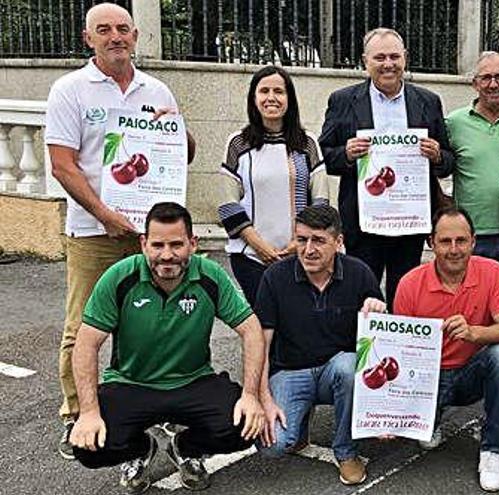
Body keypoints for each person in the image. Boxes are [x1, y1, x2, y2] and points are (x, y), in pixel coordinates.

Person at [45, 2, 193, 459]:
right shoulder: (70, 90)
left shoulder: (157, 88)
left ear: (136, 36)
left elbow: (182, 153)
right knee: (82, 326)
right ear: (88, 38)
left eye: (124, 29)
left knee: (150, 324)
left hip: (150, 235)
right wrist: (105, 213)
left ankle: (149, 406)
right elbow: (63, 165)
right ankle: (76, 414)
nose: (116, 37)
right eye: (104, 30)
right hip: (93, 230)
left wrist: (173, 132)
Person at [68, 202, 265, 493]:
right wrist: (88, 412)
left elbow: (251, 331)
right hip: (131, 383)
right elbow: (85, 344)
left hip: (193, 381)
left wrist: (251, 395)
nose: (167, 255)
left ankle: (185, 447)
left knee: (245, 426)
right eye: (158, 244)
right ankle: (139, 449)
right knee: (88, 446)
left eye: (176, 244)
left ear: (193, 244)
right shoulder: (120, 277)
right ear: (144, 244)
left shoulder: (210, 276)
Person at [319, 27, 455, 309]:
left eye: (394, 56)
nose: (388, 64)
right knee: (361, 292)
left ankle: (399, 350)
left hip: (410, 219)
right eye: (379, 57)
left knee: (405, 292)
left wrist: (437, 155)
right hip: (363, 219)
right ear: (365, 61)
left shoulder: (428, 101)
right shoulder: (343, 101)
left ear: (405, 58)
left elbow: (449, 160)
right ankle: (363, 349)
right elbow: (325, 156)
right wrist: (346, 153)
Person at [254, 204, 385, 486]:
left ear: (338, 243)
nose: (308, 249)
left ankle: (346, 451)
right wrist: (262, 396)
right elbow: (260, 342)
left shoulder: (359, 273)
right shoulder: (275, 277)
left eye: (319, 240)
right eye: (301, 240)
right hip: (289, 372)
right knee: (273, 446)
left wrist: (378, 311)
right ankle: (298, 424)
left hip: (335, 370)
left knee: (349, 366)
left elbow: (380, 340)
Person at [394, 206, 499, 491]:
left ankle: (493, 450)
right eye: (445, 241)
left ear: (474, 241)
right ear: (431, 243)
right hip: (428, 380)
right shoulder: (409, 283)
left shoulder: (492, 271)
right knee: (418, 431)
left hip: (469, 374)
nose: (454, 249)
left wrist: (474, 333)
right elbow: (399, 353)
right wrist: (390, 412)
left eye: (461, 241)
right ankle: (429, 419)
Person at [217, 66, 330, 306]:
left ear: (289, 99)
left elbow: (321, 202)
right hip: (250, 257)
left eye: (279, 91)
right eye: (264, 91)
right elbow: (228, 205)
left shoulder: (307, 143)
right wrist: (260, 247)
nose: (271, 98)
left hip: (299, 254)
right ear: (253, 98)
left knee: (294, 327)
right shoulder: (238, 143)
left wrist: (298, 244)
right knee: (261, 327)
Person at [445, 51, 499, 301]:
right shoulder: (454, 123)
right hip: (470, 235)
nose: (493, 84)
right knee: (467, 306)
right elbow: (436, 163)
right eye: (485, 78)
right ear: (475, 84)